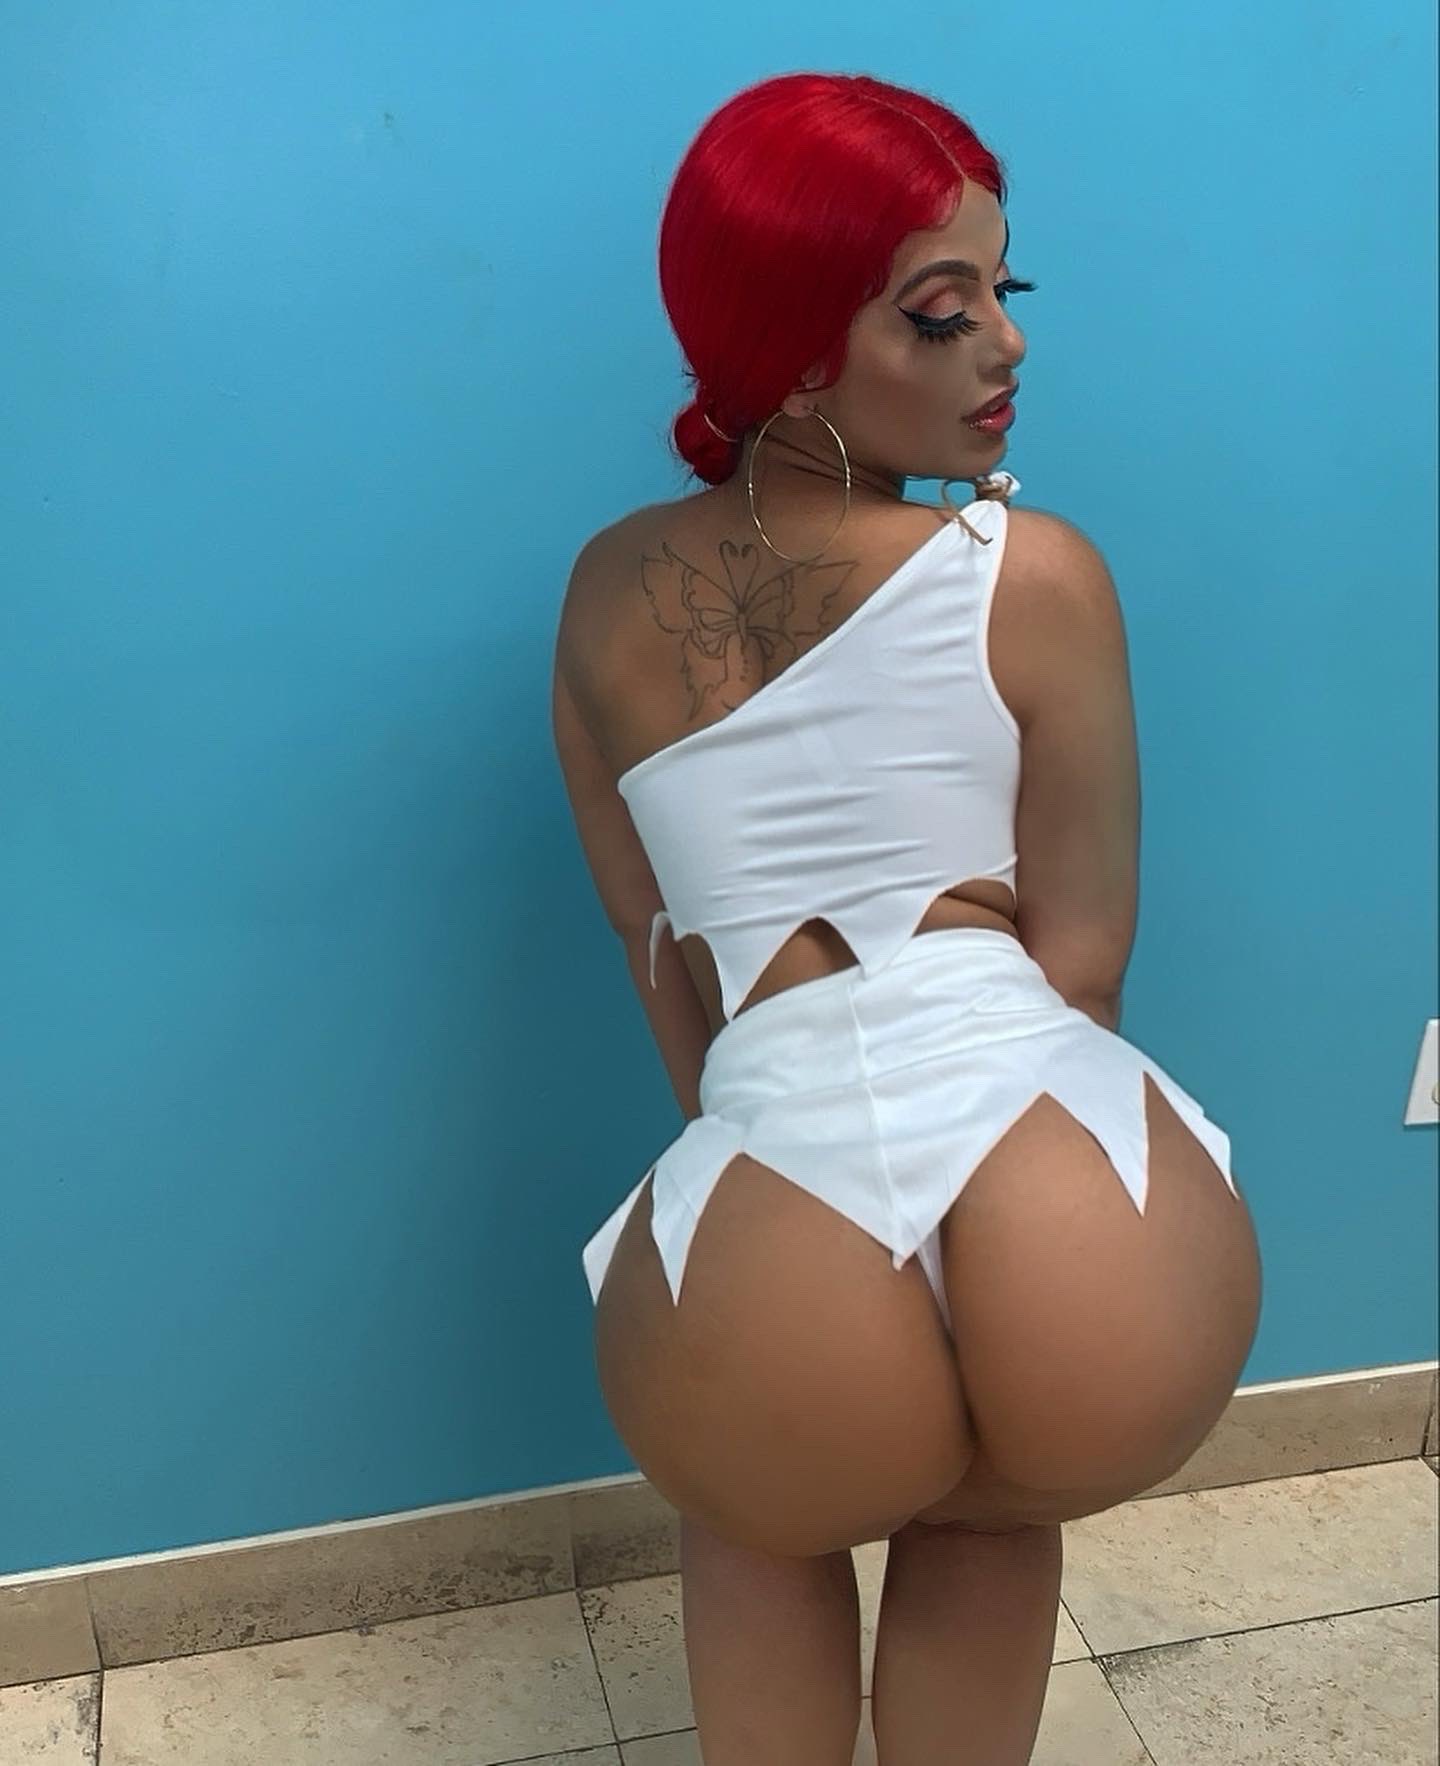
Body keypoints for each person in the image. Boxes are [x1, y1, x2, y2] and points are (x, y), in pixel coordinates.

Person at [550, 70, 1263, 1766]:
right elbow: (1083, 961)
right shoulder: (1036, 572)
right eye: (944, 314)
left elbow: (664, 963)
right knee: (990, 1517)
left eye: (1005, 293)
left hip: (773, 1173)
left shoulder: (601, 597)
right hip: (1068, 1202)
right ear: (796, 347)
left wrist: (771, 1206)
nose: (1005, 346)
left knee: (762, 1521)